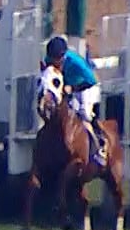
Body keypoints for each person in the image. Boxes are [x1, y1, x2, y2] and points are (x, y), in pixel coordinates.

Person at [43, 36, 107, 166]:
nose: (54, 63)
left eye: (56, 59)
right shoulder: (48, 60)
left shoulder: (75, 62)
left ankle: (100, 144)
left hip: (86, 87)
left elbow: (92, 80)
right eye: (52, 59)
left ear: (63, 56)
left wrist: (73, 88)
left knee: (84, 114)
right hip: (67, 87)